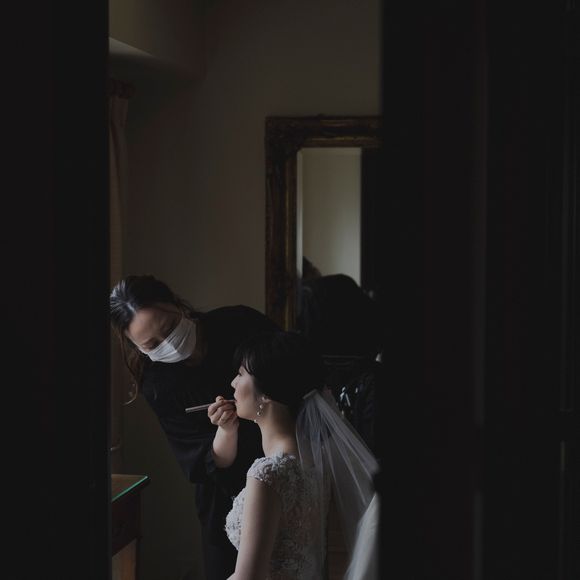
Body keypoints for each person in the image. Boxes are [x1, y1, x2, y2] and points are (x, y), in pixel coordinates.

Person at [109, 274, 279, 580]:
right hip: (226, 500)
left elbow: (294, 374)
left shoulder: (239, 323)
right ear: (136, 346)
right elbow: (204, 464)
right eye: (152, 345)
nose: (168, 345)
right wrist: (226, 430)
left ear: (177, 305)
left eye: (168, 328)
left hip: (282, 464)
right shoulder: (158, 384)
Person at [209, 330, 380, 580]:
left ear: (267, 392)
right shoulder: (314, 460)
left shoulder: (267, 475)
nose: (233, 383)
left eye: (241, 374)